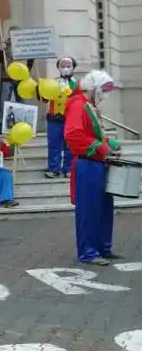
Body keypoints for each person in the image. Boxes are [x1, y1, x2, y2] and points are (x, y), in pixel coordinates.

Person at [64, 70, 122, 266]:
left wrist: (111, 145)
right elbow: (73, 136)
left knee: (105, 208)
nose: (105, 95)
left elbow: (96, 135)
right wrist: (101, 147)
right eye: (103, 90)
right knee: (89, 210)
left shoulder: (90, 106)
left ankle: (103, 247)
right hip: (87, 164)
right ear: (93, 88)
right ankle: (88, 252)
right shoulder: (78, 105)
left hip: (99, 163)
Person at [0, 27, 34, 134]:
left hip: (21, 79)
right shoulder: (4, 46)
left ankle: (23, 126)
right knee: (3, 102)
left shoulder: (25, 46)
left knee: (22, 103)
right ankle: (0, 125)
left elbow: (30, 61)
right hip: (6, 78)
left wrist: (25, 72)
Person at [45, 56, 78, 179]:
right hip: (55, 118)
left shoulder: (78, 84)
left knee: (70, 146)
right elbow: (45, 98)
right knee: (54, 145)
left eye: (68, 66)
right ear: (58, 68)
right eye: (63, 66)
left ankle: (69, 169)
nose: (65, 69)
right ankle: (54, 168)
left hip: (72, 119)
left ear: (73, 67)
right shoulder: (53, 82)